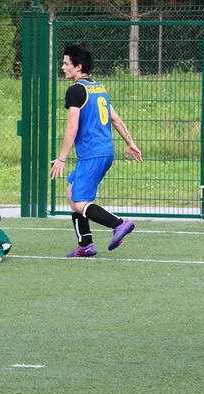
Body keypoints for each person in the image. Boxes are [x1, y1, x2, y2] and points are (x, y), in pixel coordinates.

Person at [49, 43, 143, 258]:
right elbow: (115, 118)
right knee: (72, 194)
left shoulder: (75, 91)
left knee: (79, 202)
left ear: (78, 66)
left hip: (92, 154)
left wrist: (62, 159)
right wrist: (130, 142)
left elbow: (72, 127)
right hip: (103, 152)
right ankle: (86, 245)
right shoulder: (98, 87)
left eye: (66, 64)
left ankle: (119, 224)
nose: (63, 67)